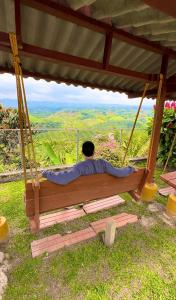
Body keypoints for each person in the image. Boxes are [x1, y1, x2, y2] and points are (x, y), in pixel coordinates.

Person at [42, 141, 135, 185]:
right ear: (94, 152)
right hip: (100, 192)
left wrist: (46, 173)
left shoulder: (80, 167)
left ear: (82, 152)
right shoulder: (103, 163)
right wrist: (131, 168)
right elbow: (119, 173)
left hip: (83, 195)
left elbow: (63, 179)